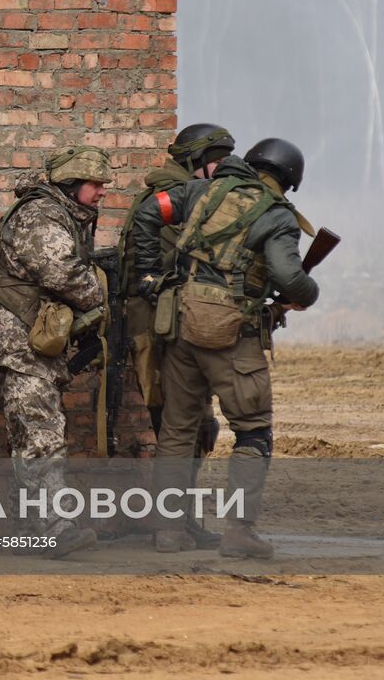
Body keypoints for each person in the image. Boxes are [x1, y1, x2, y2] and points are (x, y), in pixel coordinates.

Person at [130, 138, 320, 559]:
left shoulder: (200, 191)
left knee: (177, 431)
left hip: (176, 322)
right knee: (253, 431)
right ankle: (240, 531)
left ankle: (168, 533)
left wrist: (147, 275)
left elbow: (148, 212)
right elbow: (290, 279)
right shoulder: (275, 215)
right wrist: (308, 293)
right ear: (288, 181)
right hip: (230, 333)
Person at [0, 144, 112, 556]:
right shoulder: (41, 215)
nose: (102, 192)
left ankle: (31, 527)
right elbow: (61, 271)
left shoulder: (63, 213)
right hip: (16, 344)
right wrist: (101, 291)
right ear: (72, 182)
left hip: (25, 344)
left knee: (26, 435)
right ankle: (56, 526)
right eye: (96, 184)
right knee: (41, 434)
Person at [116, 123, 235, 548]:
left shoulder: (192, 195)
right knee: (176, 425)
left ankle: (179, 521)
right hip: (157, 326)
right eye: (216, 159)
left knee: (195, 427)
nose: (223, 168)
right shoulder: (172, 200)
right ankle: (171, 524)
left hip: (177, 326)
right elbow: (173, 264)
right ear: (194, 162)